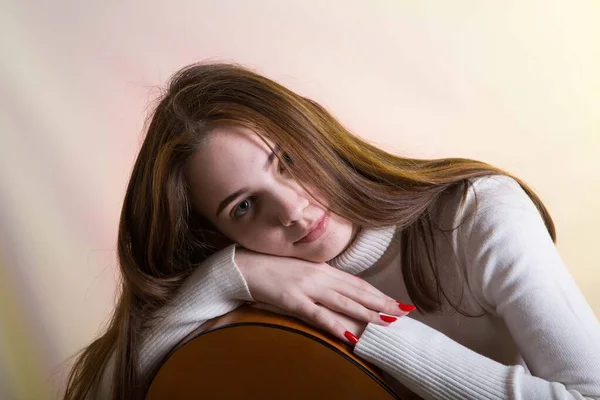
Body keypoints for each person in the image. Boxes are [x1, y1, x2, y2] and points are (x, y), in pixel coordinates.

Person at [63, 62, 600, 400]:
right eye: (244, 206)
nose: (292, 211)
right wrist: (227, 277)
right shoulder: (254, 284)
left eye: (287, 160)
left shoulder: (476, 214)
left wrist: (375, 331)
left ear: (315, 132)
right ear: (218, 232)